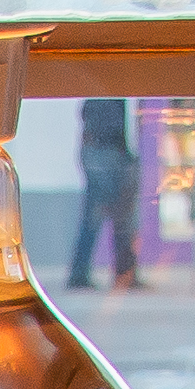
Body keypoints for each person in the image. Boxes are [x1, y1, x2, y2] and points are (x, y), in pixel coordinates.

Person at [64, 96, 146, 291]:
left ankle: (122, 273)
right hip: (105, 150)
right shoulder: (107, 89)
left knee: (120, 216)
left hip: (115, 150)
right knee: (98, 214)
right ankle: (82, 273)